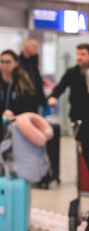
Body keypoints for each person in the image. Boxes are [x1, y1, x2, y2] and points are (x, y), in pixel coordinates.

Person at [0, 49, 36, 177]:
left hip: (17, 131)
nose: (4, 65)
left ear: (16, 63)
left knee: (15, 164)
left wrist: (15, 114)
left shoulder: (23, 84)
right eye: (2, 62)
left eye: (8, 62)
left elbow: (31, 106)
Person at [48, 43, 89, 171]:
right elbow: (61, 86)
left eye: (83, 54)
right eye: (78, 54)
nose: (79, 57)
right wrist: (53, 96)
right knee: (83, 149)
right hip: (77, 116)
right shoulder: (72, 72)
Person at [19, 37, 47, 111]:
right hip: (23, 101)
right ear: (26, 47)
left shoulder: (33, 60)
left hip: (35, 100)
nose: (36, 49)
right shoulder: (18, 63)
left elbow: (35, 77)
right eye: (34, 46)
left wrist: (42, 80)